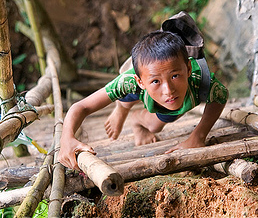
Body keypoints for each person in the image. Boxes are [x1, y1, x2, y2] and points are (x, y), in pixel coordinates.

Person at [58, 30, 228, 170]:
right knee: (124, 92)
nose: (168, 90)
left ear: (189, 69)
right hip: (135, 87)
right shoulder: (131, 81)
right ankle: (122, 108)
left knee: (155, 126)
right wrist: (67, 138)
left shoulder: (199, 79)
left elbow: (220, 96)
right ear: (140, 81)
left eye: (175, 76)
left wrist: (198, 136)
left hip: (159, 95)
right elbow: (81, 106)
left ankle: (137, 118)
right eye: (157, 81)